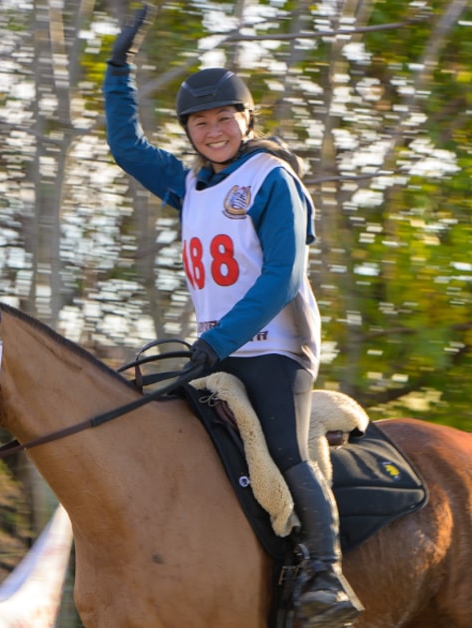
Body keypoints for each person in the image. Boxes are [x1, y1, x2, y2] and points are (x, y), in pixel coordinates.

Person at [103, 6, 363, 627]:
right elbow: (124, 146)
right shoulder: (191, 185)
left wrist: (219, 340)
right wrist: (118, 70)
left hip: (275, 346)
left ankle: (326, 576)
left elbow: (283, 277)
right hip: (215, 349)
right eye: (200, 122)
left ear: (246, 120)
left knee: (283, 450)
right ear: (189, 131)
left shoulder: (272, 179)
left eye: (225, 118)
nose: (214, 130)